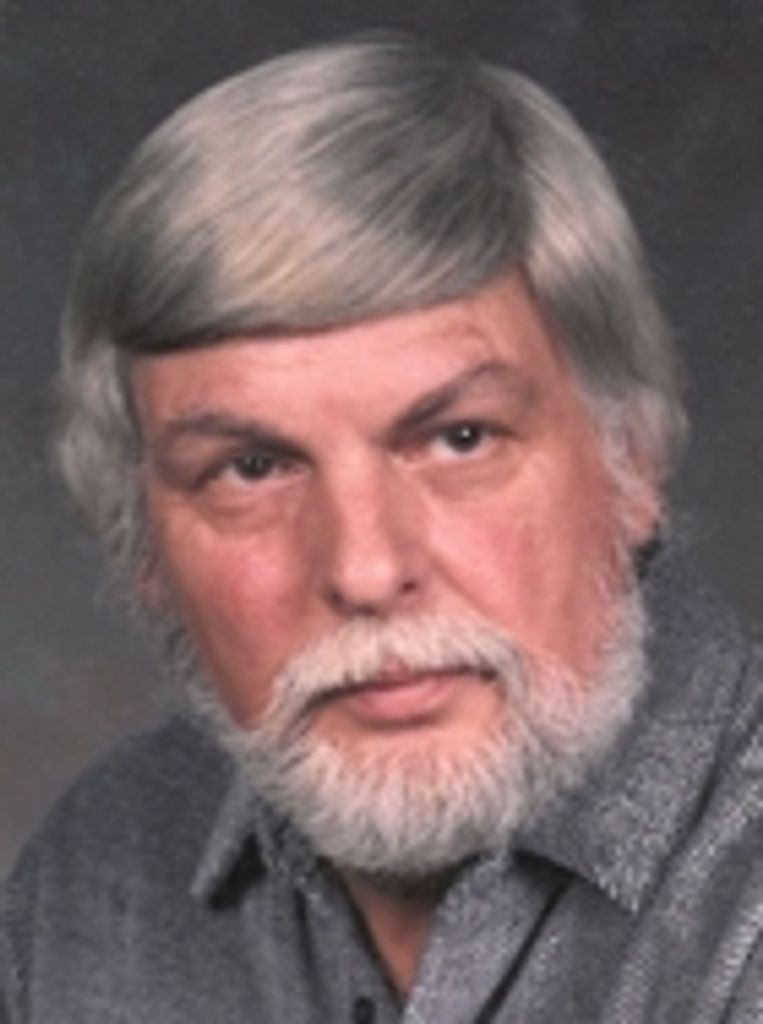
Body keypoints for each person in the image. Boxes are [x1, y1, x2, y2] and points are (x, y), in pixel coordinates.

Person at [1, 33, 760, 1023]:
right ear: (139, 534)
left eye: (458, 439)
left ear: (632, 459)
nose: (364, 568)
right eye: (252, 468)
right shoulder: (93, 881)